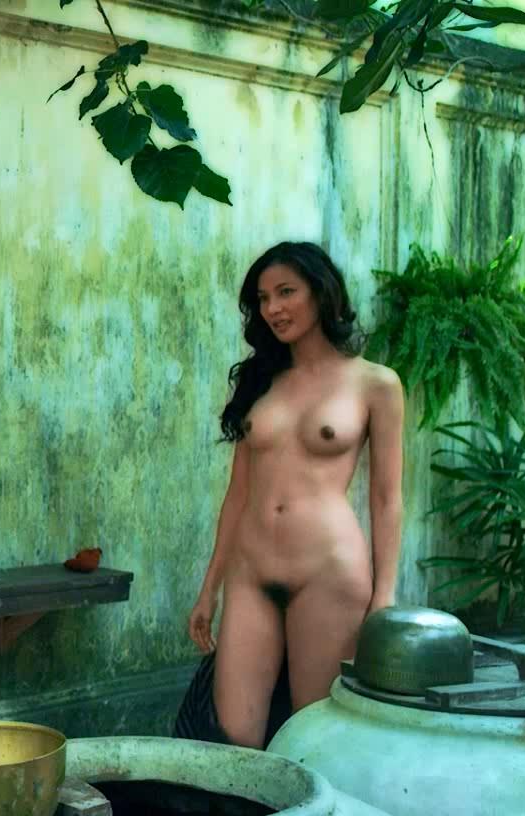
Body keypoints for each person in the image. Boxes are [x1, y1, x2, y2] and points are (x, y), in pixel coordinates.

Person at [183, 242, 403, 749]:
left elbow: (387, 499)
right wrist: (209, 587)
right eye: (263, 298)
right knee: (235, 741)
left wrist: (384, 597)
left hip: (328, 574)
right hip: (251, 573)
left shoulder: (376, 384)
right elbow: (238, 494)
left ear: (321, 293)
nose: (273, 309)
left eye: (286, 292)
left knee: (313, 739)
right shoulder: (261, 380)